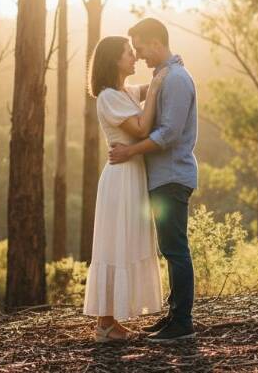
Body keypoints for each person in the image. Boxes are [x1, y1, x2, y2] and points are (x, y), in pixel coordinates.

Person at [109, 17, 198, 342]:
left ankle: (182, 322)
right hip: (164, 176)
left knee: (175, 250)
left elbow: (169, 134)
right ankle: (174, 316)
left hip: (172, 175)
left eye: (141, 47)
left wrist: (130, 152)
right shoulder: (166, 75)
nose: (140, 55)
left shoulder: (174, 79)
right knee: (170, 247)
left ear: (156, 43)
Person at [82, 36, 166, 343]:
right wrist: (157, 86)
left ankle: (110, 321)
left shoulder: (124, 92)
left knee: (128, 241)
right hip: (120, 178)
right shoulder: (108, 97)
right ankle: (105, 324)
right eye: (129, 54)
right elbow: (142, 128)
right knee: (115, 243)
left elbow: (149, 89)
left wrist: (164, 71)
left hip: (133, 174)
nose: (134, 58)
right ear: (114, 60)